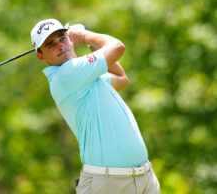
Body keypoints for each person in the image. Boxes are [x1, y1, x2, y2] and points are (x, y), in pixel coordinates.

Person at [30, 18, 160, 194]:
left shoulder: (84, 76)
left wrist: (91, 45)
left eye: (62, 38)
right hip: (108, 183)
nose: (60, 46)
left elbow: (121, 78)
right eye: (51, 44)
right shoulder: (67, 75)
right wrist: (85, 36)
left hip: (144, 177)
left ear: (69, 38)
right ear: (41, 56)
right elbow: (118, 47)